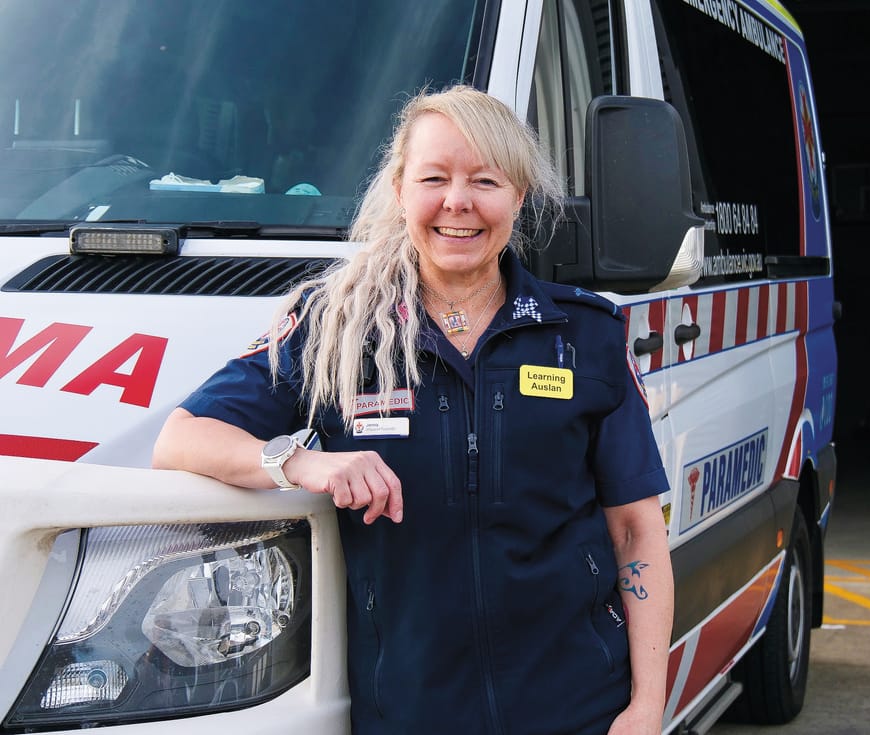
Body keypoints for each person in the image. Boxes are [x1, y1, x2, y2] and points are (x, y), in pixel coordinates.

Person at [153, 85, 674, 735]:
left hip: (576, 710)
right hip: (409, 713)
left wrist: (646, 705)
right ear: (400, 191)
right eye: (435, 178)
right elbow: (180, 437)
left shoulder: (585, 334)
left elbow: (635, 529)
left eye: (485, 179)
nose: (458, 201)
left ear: (518, 195)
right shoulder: (337, 328)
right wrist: (298, 462)